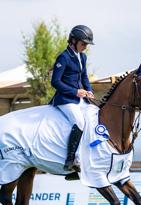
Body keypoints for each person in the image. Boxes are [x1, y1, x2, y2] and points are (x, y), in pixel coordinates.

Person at [50, 25, 95, 171]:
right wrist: (75, 92)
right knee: (80, 123)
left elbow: (84, 76)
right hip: (65, 99)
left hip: (80, 98)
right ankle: (71, 159)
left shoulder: (82, 56)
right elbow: (55, 82)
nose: (85, 47)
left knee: (95, 116)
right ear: (73, 41)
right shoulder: (63, 57)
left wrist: (89, 90)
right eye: (83, 44)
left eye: (87, 45)